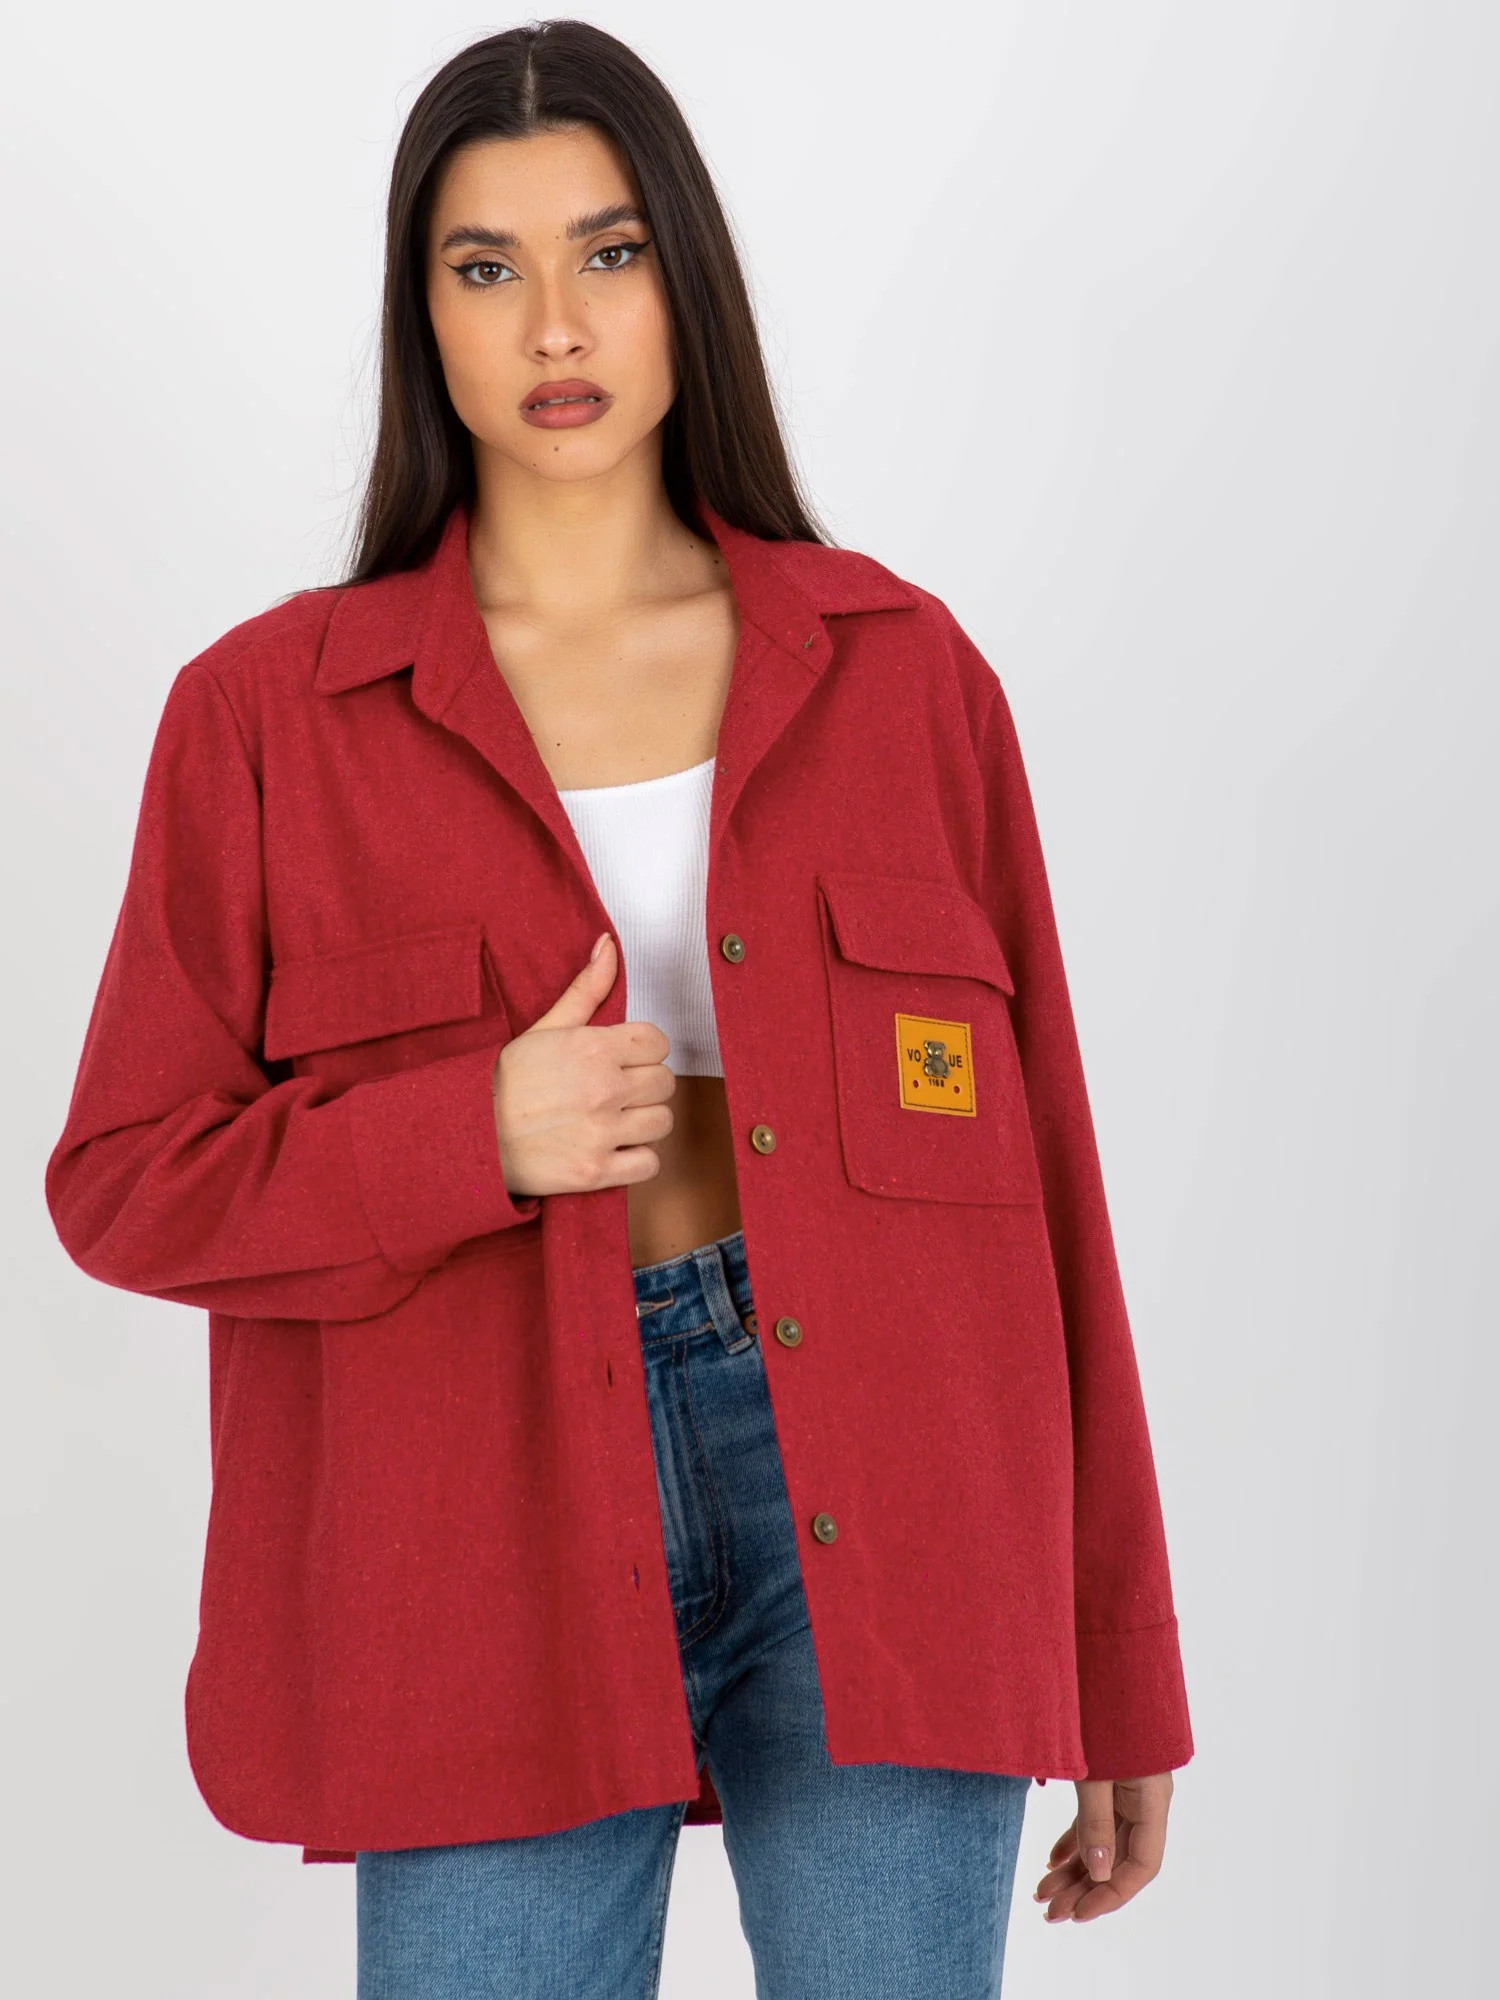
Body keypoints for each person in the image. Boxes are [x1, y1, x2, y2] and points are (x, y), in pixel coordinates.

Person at [45, 19, 1193, 1998]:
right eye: (485, 266)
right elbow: (125, 1179)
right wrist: (468, 1136)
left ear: (687, 278)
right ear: (421, 314)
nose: (554, 323)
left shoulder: (903, 674)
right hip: (470, 1532)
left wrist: (1120, 1660)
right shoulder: (267, 719)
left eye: (610, 250)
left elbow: (1052, 1196)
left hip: (895, 1501)